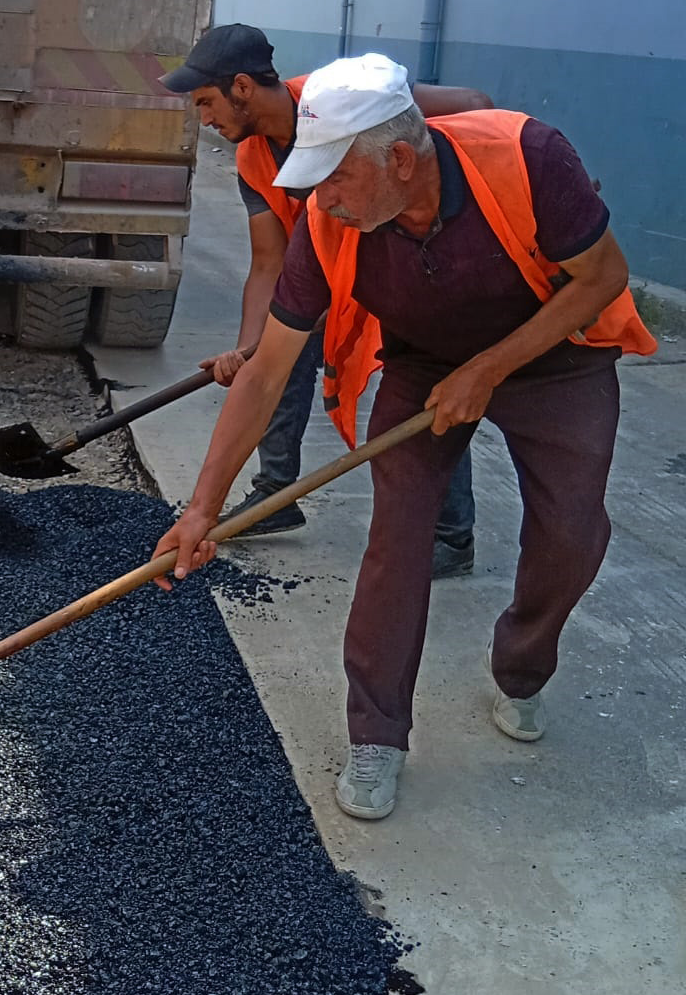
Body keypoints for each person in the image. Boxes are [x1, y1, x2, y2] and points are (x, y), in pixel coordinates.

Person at [153, 54, 653, 819]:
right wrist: (202, 508)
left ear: (397, 159)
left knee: (572, 534)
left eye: (334, 178)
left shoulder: (528, 159)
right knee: (398, 535)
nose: (321, 199)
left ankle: (521, 663)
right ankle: (377, 732)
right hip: (422, 363)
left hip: (557, 359)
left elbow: (603, 276)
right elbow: (265, 372)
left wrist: (488, 369)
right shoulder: (330, 222)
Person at [162, 24, 489, 580]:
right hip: (326, 271)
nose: (205, 119)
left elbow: (475, 106)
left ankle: (451, 535)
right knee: (275, 359)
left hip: (406, 260)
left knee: (430, 387)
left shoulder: (344, 98)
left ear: (242, 87)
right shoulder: (254, 161)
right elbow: (268, 260)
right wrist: (248, 348)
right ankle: (275, 490)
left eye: (206, 102)